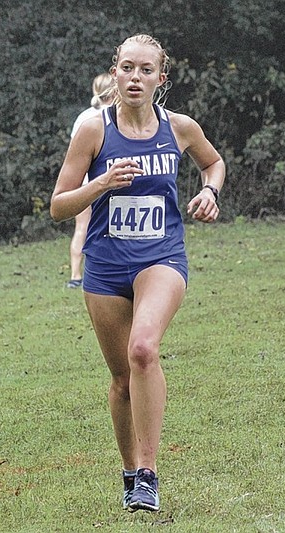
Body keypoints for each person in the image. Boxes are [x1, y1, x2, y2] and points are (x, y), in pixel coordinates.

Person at [50, 34, 225, 512]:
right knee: (123, 379)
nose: (135, 77)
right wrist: (101, 182)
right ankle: (130, 473)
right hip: (105, 265)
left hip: (161, 257)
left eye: (146, 70)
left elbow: (213, 163)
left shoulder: (179, 127)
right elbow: (58, 206)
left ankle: (148, 472)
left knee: (144, 348)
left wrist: (210, 192)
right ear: (116, 72)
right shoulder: (93, 129)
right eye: (127, 68)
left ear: (160, 79)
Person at [66, 73, 114, 289]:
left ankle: (75, 276)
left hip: (85, 184)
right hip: (112, 182)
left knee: (82, 228)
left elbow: (73, 155)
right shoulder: (117, 116)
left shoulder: (83, 117)